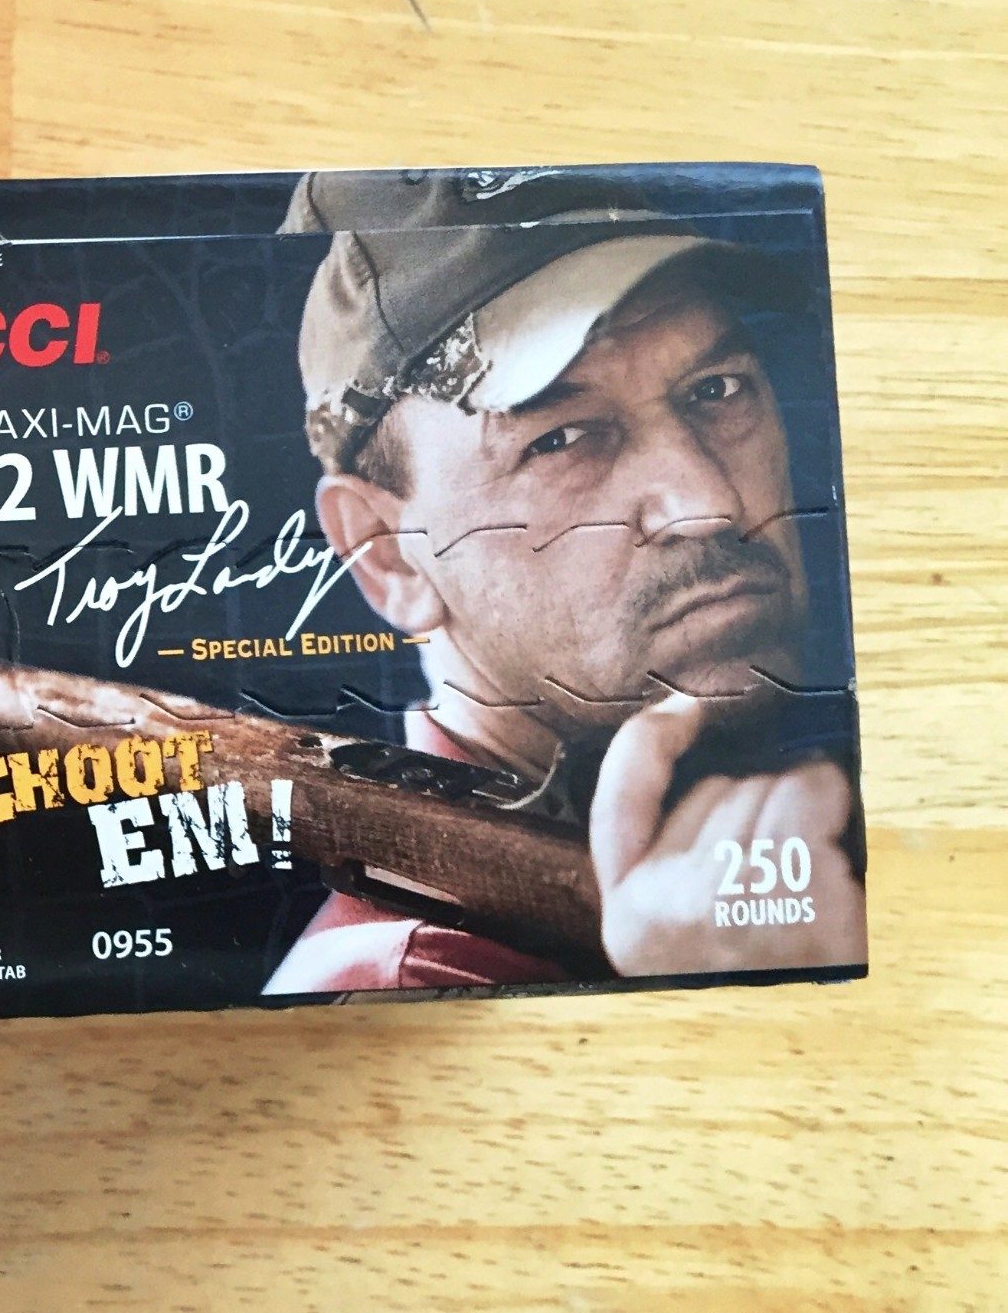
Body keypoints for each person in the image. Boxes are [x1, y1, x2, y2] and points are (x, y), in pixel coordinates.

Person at [263, 168, 865, 995]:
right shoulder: (414, 983)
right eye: (562, 438)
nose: (708, 504)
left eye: (716, 390)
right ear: (387, 554)